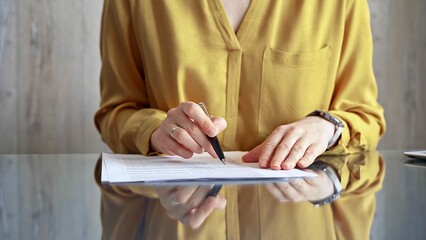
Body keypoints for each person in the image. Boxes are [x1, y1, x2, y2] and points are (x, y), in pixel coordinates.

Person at [94, 0, 386, 239]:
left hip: (302, 222)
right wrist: (153, 129)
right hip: (174, 220)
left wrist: (326, 126)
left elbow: (365, 116)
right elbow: (116, 110)